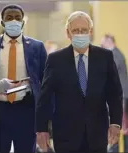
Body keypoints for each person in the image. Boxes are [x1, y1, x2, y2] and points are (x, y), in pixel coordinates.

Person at [36, 11, 123, 153]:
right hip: (65, 135)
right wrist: (41, 129)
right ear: (68, 33)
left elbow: (115, 93)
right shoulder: (55, 60)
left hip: (97, 133)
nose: (80, 34)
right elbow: (45, 97)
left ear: (91, 31)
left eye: (84, 30)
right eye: (75, 30)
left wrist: (115, 123)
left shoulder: (105, 57)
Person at [0, 4, 47, 153]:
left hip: (26, 109)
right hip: (0, 110)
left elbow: (45, 80)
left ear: (23, 22)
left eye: (17, 18)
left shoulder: (37, 47)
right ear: (2, 22)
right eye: (9, 18)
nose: (14, 21)